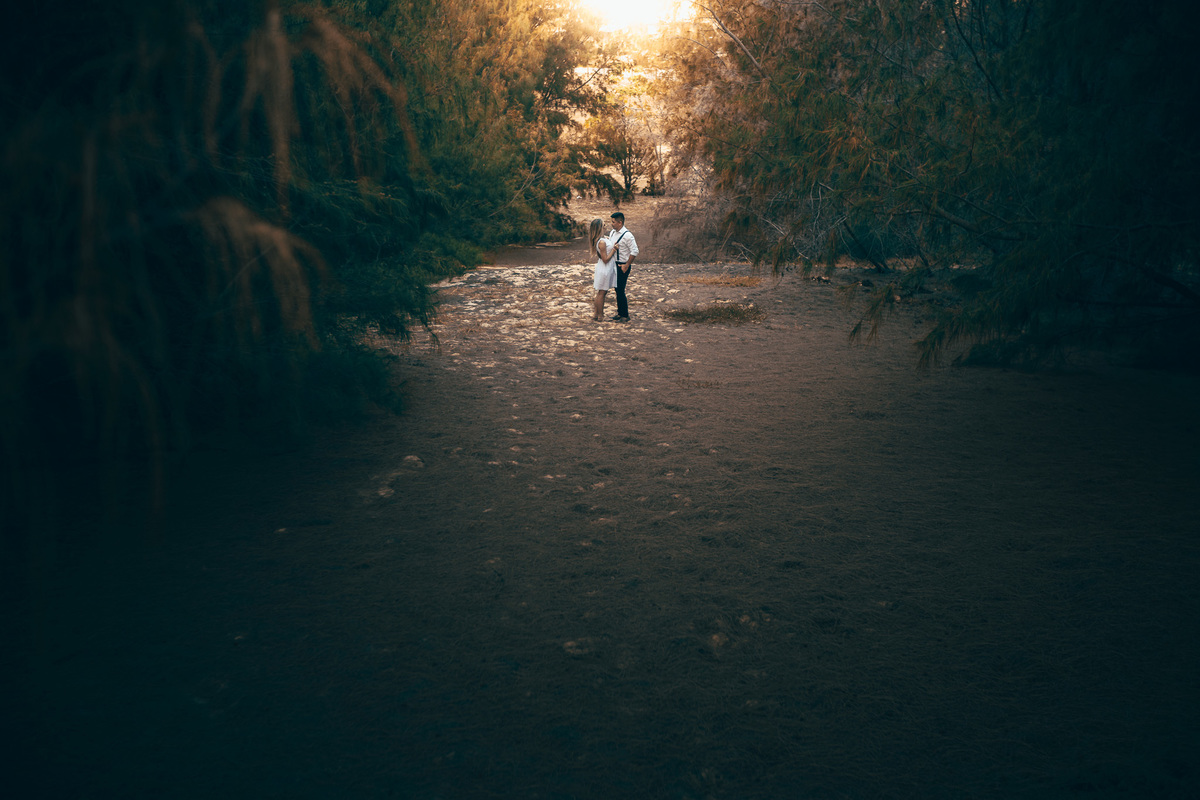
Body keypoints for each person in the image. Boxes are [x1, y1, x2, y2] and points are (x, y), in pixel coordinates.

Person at [607, 211, 639, 322]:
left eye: (613, 222)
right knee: (617, 289)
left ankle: (625, 315)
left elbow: (635, 251)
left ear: (620, 222)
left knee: (620, 290)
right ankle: (620, 313)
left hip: (622, 265)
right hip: (614, 264)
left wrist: (627, 264)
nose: (612, 224)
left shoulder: (628, 235)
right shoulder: (612, 233)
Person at [588, 218, 617, 322]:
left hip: (605, 268)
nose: (606, 226)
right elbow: (605, 259)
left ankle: (596, 314)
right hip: (605, 268)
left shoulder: (603, 239)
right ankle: (601, 315)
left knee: (601, 292)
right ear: (599, 228)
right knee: (602, 293)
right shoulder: (601, 242)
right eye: (603, 225)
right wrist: (614, 250)